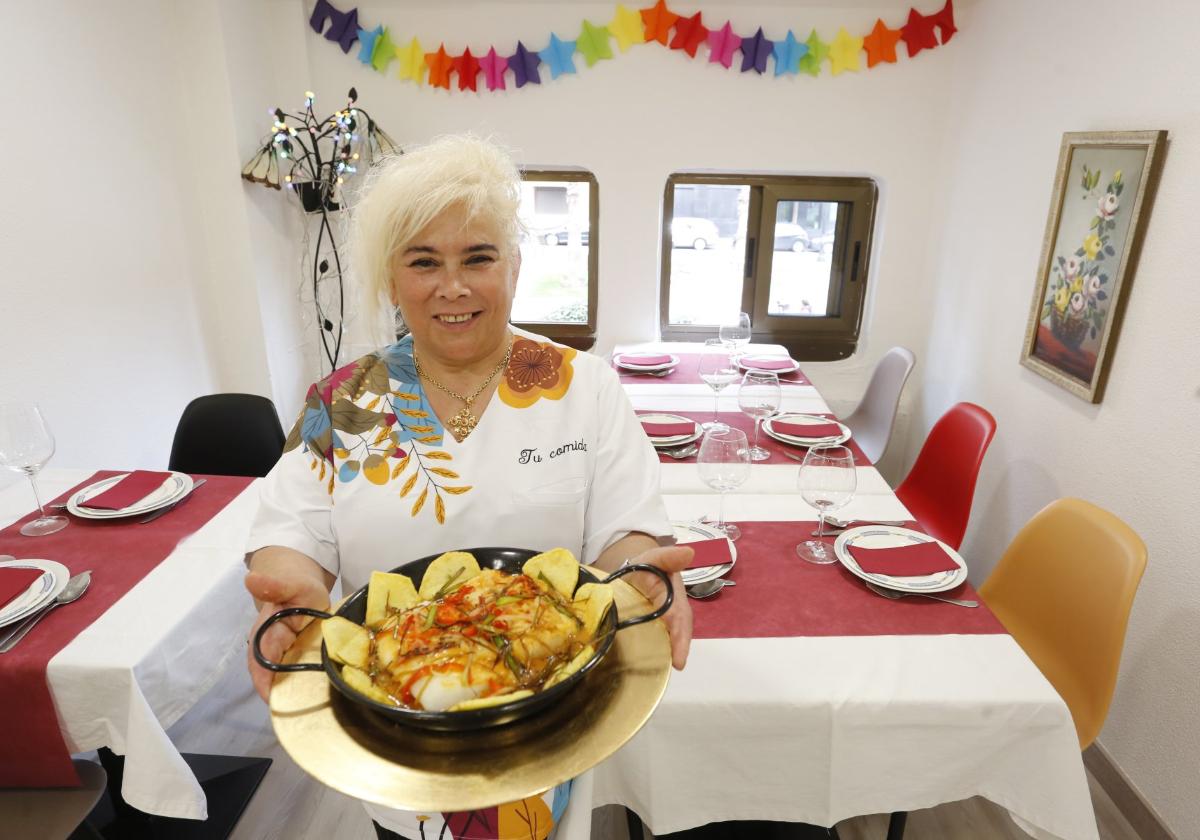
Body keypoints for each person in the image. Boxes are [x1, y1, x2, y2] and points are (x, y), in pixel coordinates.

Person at [243, 134, 693, 840]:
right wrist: (293, 583)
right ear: (392, 280)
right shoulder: (345, 400)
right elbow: (289, 531)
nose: (452, 287)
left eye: (477, 258)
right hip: (398, 719)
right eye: (424, 262)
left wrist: (640, 572)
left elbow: (624, 531)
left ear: (513, 266)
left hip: (546, 713)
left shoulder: (584, 387)